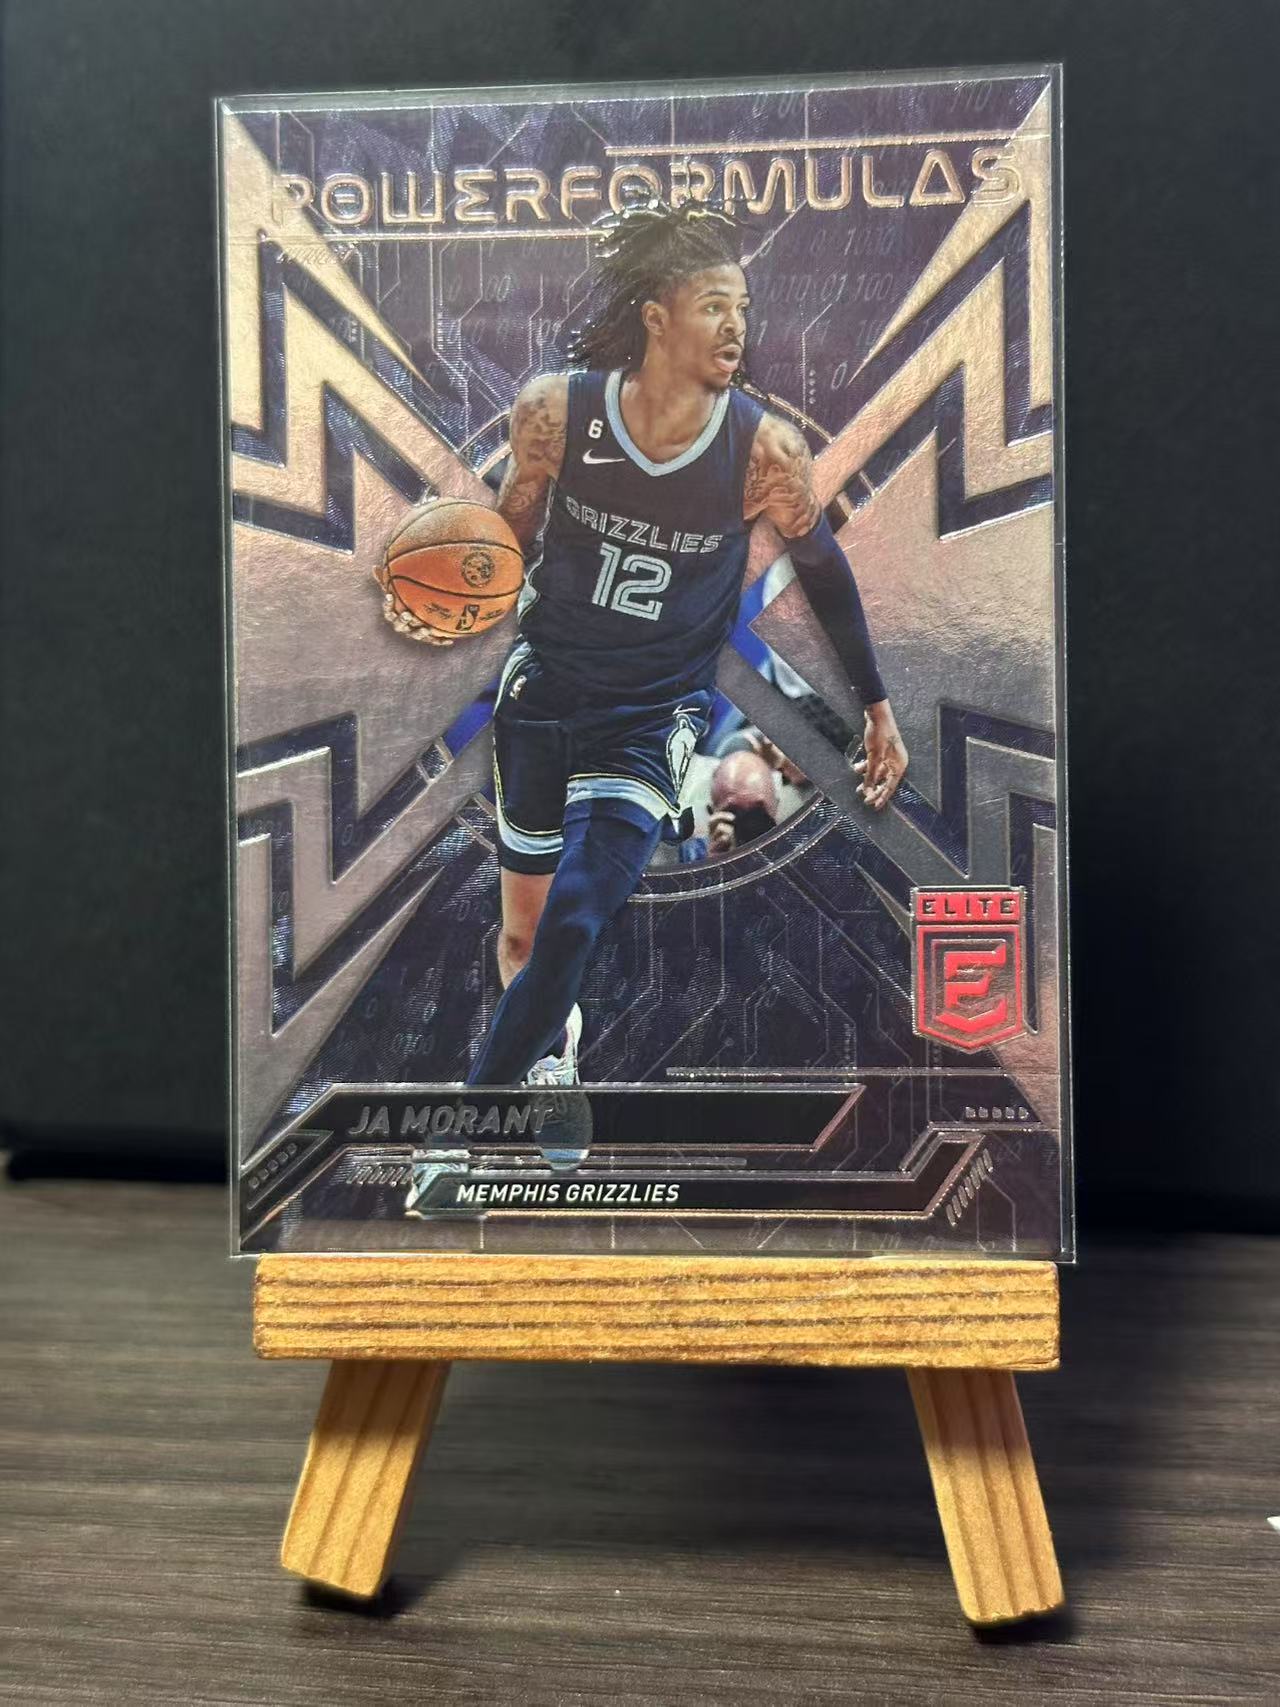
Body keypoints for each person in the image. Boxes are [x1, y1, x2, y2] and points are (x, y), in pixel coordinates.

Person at [383, 200, 908, 1094]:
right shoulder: (556, 414)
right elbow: (503, 549)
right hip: (546, 691)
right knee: (525, 937)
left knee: (576, 919)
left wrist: (875, 706)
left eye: (743, 307)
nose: (736, 326)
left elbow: (823, 569)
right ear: (657, 316)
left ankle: (471, 1128)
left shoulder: (764, 452)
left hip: (653, 711)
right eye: (714, 305)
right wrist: (442, 606)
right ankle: (552, 1051)